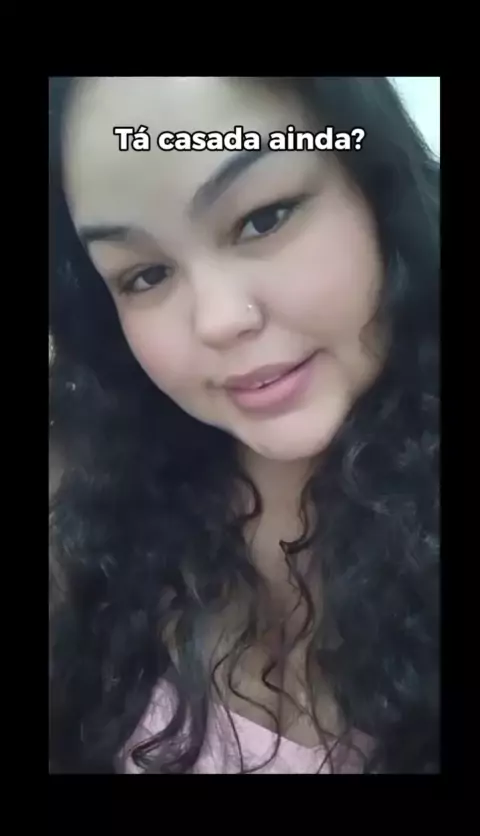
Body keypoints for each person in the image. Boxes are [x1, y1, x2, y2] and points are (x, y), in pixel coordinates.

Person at [49, 77, 439, 774]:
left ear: (377, 189)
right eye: (145, 275)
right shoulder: (102, 518)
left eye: (264, 219)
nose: (219, 319)